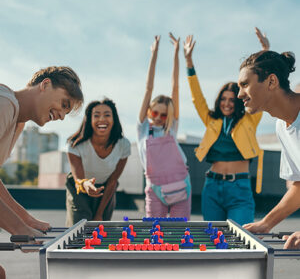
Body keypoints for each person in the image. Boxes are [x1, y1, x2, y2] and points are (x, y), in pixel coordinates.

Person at [0, 66, 83, 278]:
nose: (62, 116)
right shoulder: (5, 104)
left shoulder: (17, 121)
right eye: (64, 104)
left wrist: (26, 220)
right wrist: (19, 229)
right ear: (45, 85)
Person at [183, 33, 265, 225]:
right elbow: (197, 97)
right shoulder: (211, 120)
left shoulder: (249, 119)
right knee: (214, 243)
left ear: (238, 101)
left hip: (240, 187)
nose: (226, 103)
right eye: (223, 99)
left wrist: (264, 54)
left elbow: (259, 92)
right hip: (212, 186)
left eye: (231, 99)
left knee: (241, 238)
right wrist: (188, 61)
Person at [238, 47, 300, 249]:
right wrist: (266, 223)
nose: (240, 94)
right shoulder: (282, 126)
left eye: (245, 85)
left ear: (272, 82)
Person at [137, 34, 191, 219]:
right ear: (149, 111)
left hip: (181, 184)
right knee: (154, 235)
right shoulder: (143, 128)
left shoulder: (171, 128)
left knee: (180, 234)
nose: (158, 118)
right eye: (154, 113)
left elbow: (175, 86)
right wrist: (154, 54)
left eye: (164, 114)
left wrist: (176, 53)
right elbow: (148, 88)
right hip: (154, 188)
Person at [66, 98, 130, 226]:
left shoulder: (123, 145)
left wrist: (99, 214)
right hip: (79, 188)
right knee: (80, 229)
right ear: (89, 120)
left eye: (107, 115)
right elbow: (78, 179)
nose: (102, 119)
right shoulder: (75, 145)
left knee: (100, 230)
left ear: (114, 119)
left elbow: (113, 181)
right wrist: (86, 185)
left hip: (106, 189)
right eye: (96, 115)